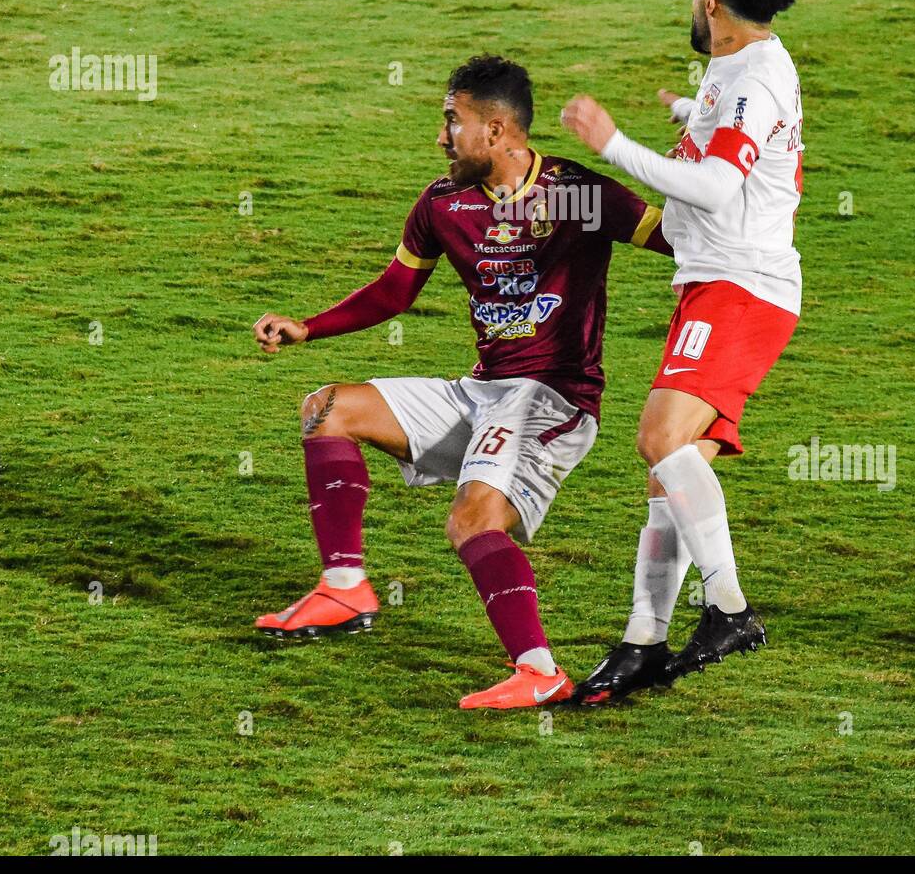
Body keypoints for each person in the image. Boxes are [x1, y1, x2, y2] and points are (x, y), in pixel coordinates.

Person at [252, 54, 670, 709]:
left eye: (453, 122)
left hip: (551, 400)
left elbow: (678, 239)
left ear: (498, 132)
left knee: (473, 520)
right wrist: (309, 328)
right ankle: (342, 588)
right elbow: (395, 291)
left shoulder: (577, 194)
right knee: (326, 408)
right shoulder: (443, 203)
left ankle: (538, 670)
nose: (441, 138)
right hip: (483, 391)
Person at [559, 0, 804, 704]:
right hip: (720, 283)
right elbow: (734, 142)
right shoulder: (742, 66)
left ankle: (730, 611)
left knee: (660, 440)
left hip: (742, 286)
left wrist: (613, 142)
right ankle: (642, 641)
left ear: (712, 0)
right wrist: (686, 113)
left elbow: (716, 188)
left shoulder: (747, 82)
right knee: (675, 473)